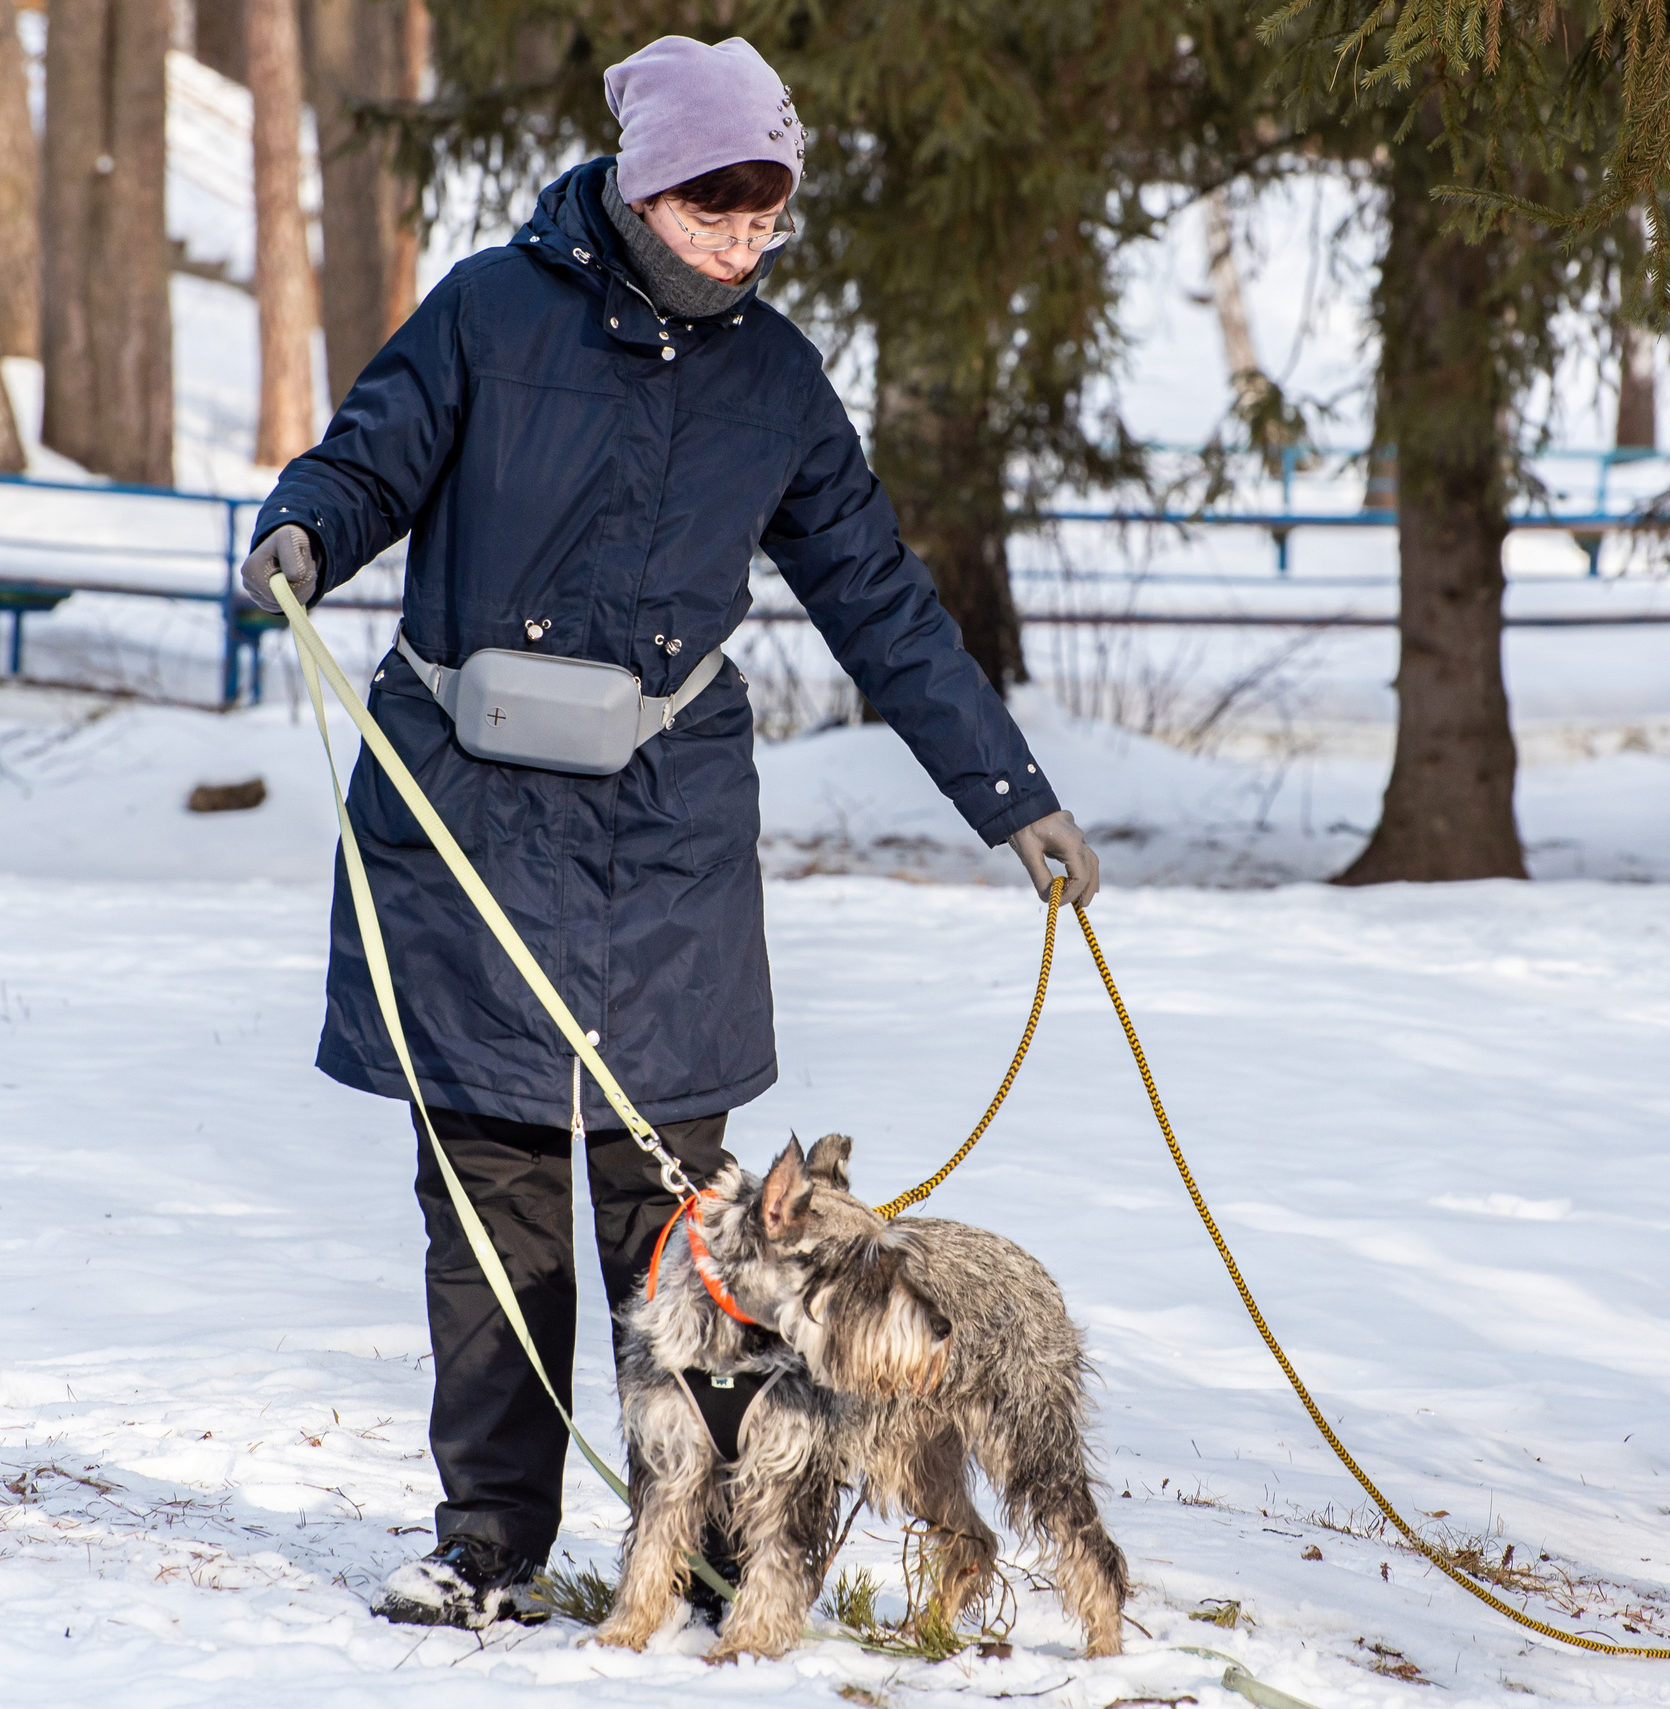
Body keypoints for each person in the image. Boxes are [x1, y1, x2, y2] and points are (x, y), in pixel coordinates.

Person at [238, 33, 1099, 1631]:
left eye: (767, 202)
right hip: (470, 826)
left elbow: (882, 602)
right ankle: (488, 1539)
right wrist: (303, 526)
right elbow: (370, 455)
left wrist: (1012, 793)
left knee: (694, 1251)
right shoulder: (492, 314)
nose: (743, 230)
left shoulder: (774, 376)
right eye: (716, 196)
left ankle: (711, 1554)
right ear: (642, 184)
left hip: (669, 846)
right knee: (493, 1216)